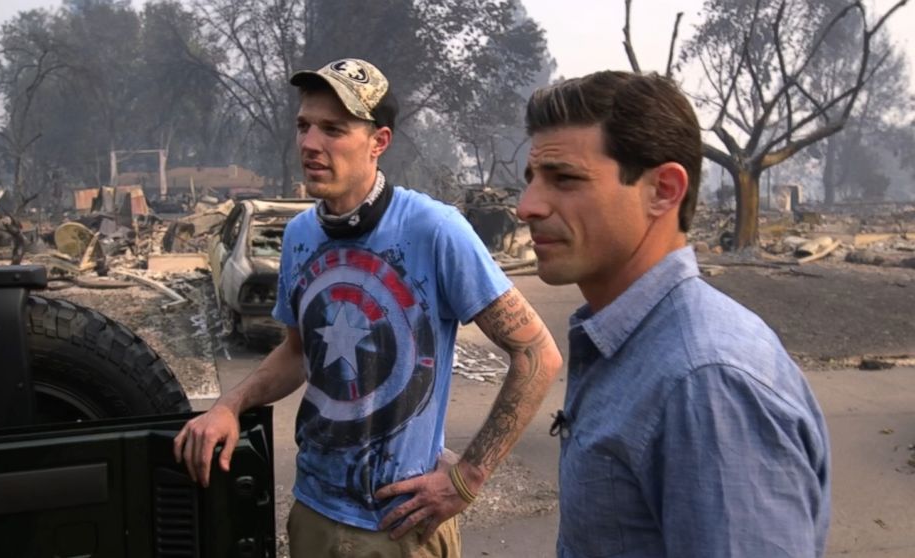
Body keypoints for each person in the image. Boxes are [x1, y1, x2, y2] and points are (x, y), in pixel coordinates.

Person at [174, 58, 562, 558]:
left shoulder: (434, 229)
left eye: (333, 129)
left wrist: (467, 479)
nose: (310, 143)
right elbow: (297, 352)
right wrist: (230, 404)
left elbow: (537, 355)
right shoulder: (299, 236)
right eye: (304, 126)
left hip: (399, 527)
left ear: (379, 142)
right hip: (311, 512)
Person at [517, 71, 830, 557]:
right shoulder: (628, 341)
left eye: (565, 179)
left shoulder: (707, 383)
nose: (527, 206)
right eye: (532, 180)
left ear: (663, 189)